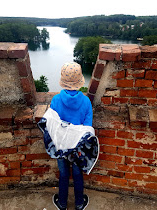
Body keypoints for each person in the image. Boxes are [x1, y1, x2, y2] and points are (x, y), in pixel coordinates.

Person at [50, 62, 93, 210]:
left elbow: (52, 126)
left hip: (61, 146)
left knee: (63, 174)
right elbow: (87, 130)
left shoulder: (55, 100)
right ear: (80, 81)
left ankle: (62, 204)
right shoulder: (86, 102)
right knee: (77, 174)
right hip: (78, 147)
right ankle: (79, 204)